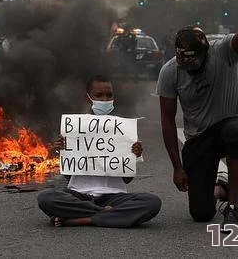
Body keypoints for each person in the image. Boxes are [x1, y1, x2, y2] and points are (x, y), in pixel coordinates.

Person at [157, 0, 238, 232]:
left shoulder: (223, 52)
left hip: (228, 123)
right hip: (198, 139)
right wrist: (177, 167)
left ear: (205, 53)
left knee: (235, 130)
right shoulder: (170, 72)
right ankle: (221, 190)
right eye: (183, 61)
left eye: (193, 62)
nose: (188, 67)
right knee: (200, 213)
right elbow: (167, 120)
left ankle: (231, 207)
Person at [37, 75, 161, 228]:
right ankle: (108, 214)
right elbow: (69, 176)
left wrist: (133, 155)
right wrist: (63, 150)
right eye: (99, 95)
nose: (105, 99)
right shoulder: (75, 128)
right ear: (88, 98)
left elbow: (127, 179)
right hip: (79, 195)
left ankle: (80, 219)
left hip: (113, 196)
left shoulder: (122, 129)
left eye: (109, 95)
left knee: (152, 202)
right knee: (46, 197)